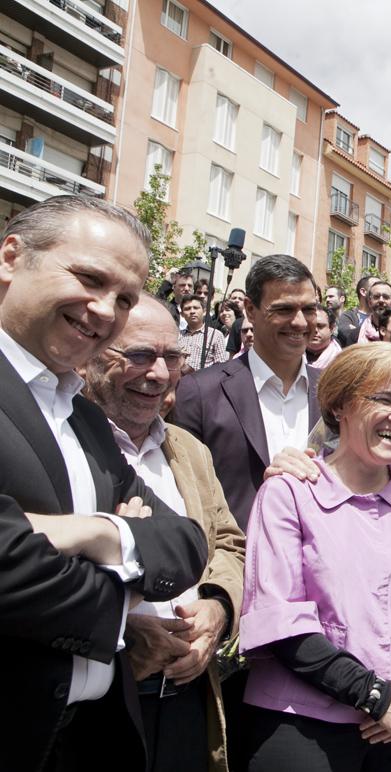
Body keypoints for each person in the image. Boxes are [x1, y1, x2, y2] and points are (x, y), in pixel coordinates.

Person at [0, 195, 207, 770]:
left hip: (88, 742)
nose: (103, 308)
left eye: (124, 297)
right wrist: (121, 602)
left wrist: (94, 532)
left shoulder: (85, 416)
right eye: (89, 278)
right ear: (12, 257)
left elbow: (185, 542)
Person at [241, 344, 391, 771]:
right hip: (305, 726)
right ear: (340, 404)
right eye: (383, 399)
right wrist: (376, 696)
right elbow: (281, 621)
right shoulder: (289, 494)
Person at [84, 295, 246, 772]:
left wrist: (217, 607)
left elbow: (230, 544)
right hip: (98, 701)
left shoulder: (189, 451)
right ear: (94, 354)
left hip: (186, 699)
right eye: (138, 356)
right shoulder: (64, 440)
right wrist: (119, 631)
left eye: (171, 358)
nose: (157, 373)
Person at [170, 254, 322, 530]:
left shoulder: (336, 393)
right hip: (234, 564)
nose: (300, 322)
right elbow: (183, 497)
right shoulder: (199, 393)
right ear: (250, 311)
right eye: (285, 310)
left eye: (309, 309)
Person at [178, 294, 229, 371]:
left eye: (196, 308)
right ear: (182, 314)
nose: (192, 311)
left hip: (205, 381)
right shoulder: (177, 335)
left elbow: (221, 366)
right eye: (187, 309)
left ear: (204, 311)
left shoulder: (215, 335)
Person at [334, 277, 372, 347]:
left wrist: (357, 330)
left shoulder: (383, 316)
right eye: (375, 286)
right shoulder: (348, 316)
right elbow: (348, 335)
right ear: (363, 292)